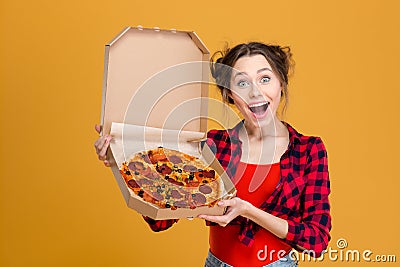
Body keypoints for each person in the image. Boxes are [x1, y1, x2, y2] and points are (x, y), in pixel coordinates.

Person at [94, 42, 331, 267]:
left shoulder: (308, 151)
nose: (255, 92)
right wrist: (123, 162)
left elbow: (316, 240)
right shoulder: (213, 145)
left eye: (265, 79)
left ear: (281, 83)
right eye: (242, 83)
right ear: (229, 95)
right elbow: (160, 220)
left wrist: (248, 211)